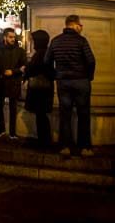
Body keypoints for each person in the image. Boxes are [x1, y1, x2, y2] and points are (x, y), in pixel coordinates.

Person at [44, 14, 96, 157]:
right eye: (80, 25)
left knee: (65, 114)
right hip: (81, 81)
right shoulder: (81, 41)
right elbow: (91, 61)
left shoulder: (55, 41)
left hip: (63, 82)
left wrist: (55, 75)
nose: (81, 27)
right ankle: (84, 147)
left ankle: (65, 146)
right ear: (74, 25)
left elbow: (46, 61)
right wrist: (89, 76)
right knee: (83, 114)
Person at [0, 27, 27, 140]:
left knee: (13, 108)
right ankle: (2, 128)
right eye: (10, 37)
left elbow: (24, 66)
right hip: (0, 82)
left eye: (14, 37)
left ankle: (12, 132)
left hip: (13, 82)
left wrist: (13, 71)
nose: (13, 39)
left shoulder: (20, 51)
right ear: (5, 37)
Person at [25, 29, 54, 149]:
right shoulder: (45, 52)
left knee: (41, 116)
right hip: (44, 89)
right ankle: (43, 140)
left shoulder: (41, 54)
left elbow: (34, 69)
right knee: (41, 116)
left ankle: (44, 141)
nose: (32, 43)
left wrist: (26, 69)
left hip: (40, 90)